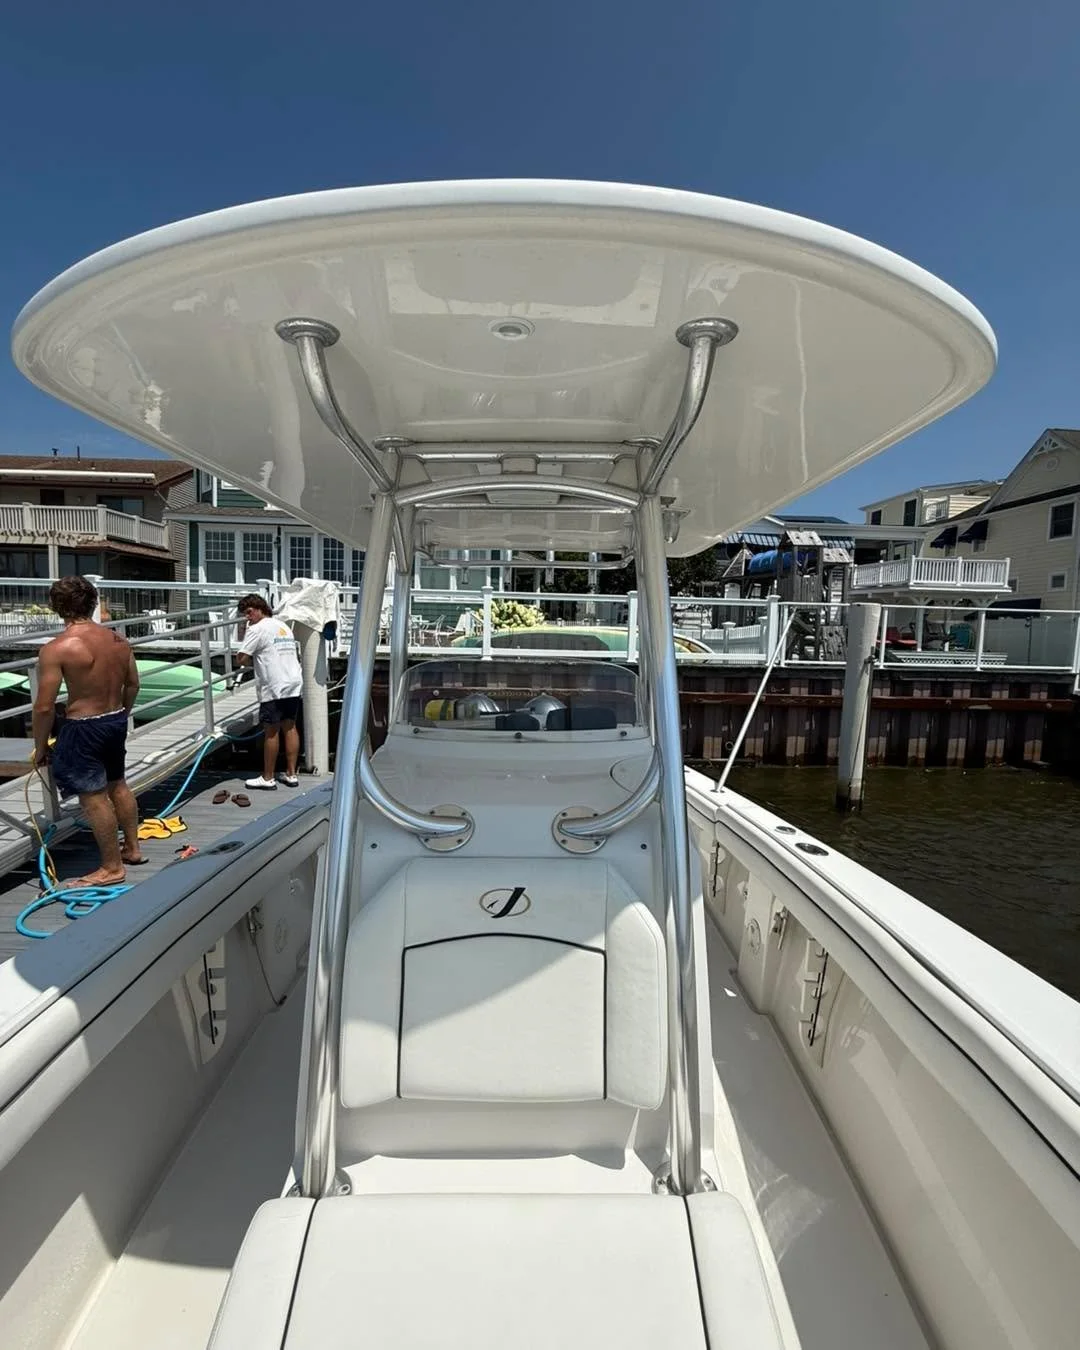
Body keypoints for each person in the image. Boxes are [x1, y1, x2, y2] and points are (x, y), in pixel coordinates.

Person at [32, 576, 145, 886]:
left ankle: (111, 868)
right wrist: (124, 713)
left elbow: (44, 707)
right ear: (94, 603)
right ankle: (132, 849)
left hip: (84, 727)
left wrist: (41, 747)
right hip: (114, 718)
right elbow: (134, 683)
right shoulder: (118, 641)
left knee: (93, 798)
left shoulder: (57, 649)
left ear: (56, 607)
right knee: (118, 784)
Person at [234, 594, 302, 789]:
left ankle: (268, 777)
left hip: (274, 684)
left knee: (271, 731)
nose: (247, 617)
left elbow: (241, 658)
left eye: (249, 612)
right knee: (290, 727)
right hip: (293, 681)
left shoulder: (256, 629)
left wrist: (248, 654)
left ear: (259, 609)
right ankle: (291, 774)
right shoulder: (283, 626)